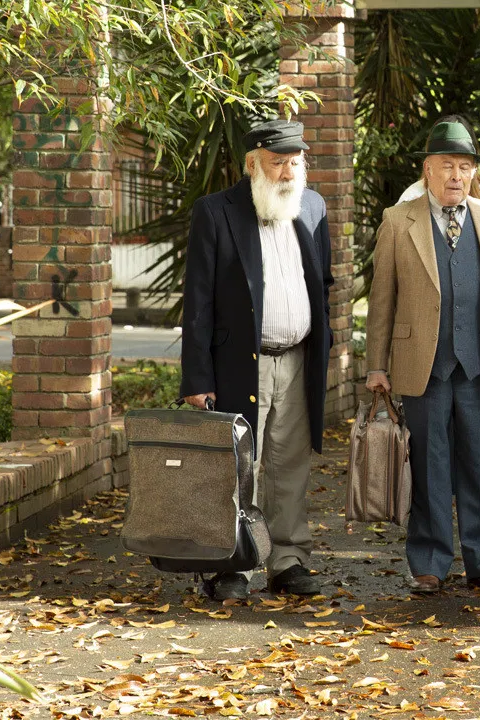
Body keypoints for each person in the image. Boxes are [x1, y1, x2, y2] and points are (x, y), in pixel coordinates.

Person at [366, 120, 480, 595]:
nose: (456, 175)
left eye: (465, 167)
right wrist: (376, 366)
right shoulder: (398, 220)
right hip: (422, 363)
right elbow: (382, 299)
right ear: (428, 170)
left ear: (473, 172)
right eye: (447, 165)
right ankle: (429, 563)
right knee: (429, 465)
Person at [180, 119, 333, 600]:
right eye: (277, 162)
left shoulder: (313, 206)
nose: (287, 172)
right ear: (252, 164)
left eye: (295, 162)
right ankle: (233, 565)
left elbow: (323, 284)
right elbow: (198, 299)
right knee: (236, 468)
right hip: (238, 364)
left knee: (290, 468)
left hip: (298, 361)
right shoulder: (215, 211)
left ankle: (288, 561)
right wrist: (197, 378)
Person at [397, 115, 480, 204]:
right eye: (447, 166)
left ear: (474, 166)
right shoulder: (411, 198)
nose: (456, 177)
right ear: (428, 168)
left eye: (464, 167)